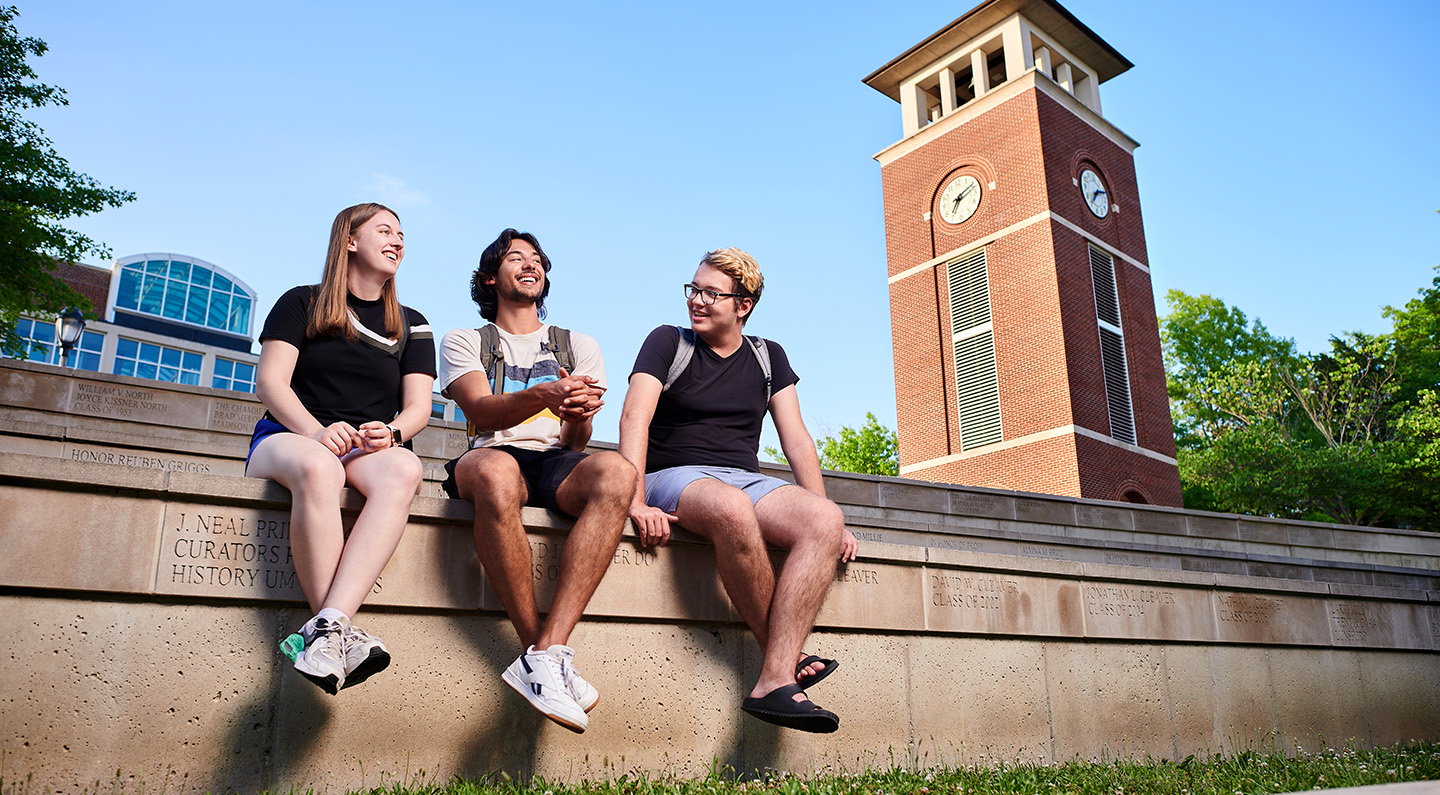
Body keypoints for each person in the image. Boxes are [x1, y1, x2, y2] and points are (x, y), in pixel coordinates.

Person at [618, 247, 859, 734]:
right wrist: (635, 498)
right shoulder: (667, 342)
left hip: (744, 477)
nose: (697, 301)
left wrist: (830, 514)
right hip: (676, 475)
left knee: (824, 521)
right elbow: (634, 417)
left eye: (711, 293)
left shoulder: (768, 357)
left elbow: (797, 439)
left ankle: (774, 678)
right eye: (694, 289)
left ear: (743, 305)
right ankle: (788, 664)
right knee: (730, 507)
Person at [438, 228, 634, 734]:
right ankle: (539, 656)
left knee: (618, 472)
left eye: (537, 261)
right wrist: (546, 395)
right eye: (515, 259)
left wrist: (580, 413)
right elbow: (481, 410)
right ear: (489, 278)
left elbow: (574, 440)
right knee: (497, 472)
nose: (530, 266)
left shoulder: (577, 345)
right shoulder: (465, 341)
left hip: (553, 460)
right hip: (490, 452)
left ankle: (547, 653)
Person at [247, 202, 435, 695]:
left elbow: (419, 407)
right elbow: (270, 382)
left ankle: (327, 627)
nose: (397, 241)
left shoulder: (413, 324)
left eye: (401, 235)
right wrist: (313, 432)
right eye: (384, 231)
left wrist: (391, 433)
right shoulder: (301, 302)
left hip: (365, 450)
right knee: (319, 466)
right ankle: (333, 631)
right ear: (349, 240)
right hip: (288, 439)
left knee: (404, 469)